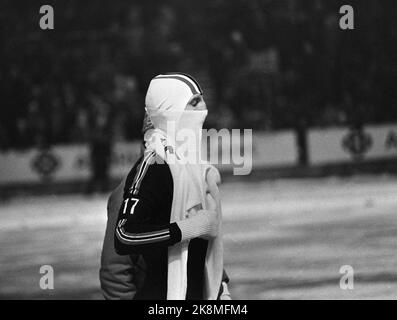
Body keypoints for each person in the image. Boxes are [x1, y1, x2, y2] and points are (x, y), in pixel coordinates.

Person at [100, 72, 230, 300]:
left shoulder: (196, 174)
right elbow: (116, 273)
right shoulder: (130, 189)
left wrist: (222, 290)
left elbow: (201, 250)